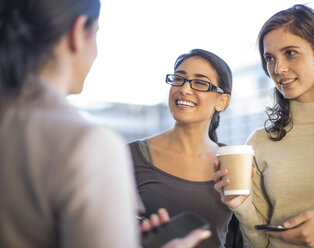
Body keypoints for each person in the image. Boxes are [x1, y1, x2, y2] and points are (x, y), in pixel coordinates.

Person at [0, 0, 210, 247]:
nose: (185, 89)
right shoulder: (87, 143)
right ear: (78, 32)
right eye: (97, 34)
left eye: (200, 83)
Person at [213, 4, 314, 248]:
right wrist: (240, 205)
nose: (278, 69)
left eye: (290, 53)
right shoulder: (259, 142)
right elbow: (259, 242)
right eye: (270, 58)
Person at [128, 49, 236, 247]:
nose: (184, 89)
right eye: (179, 79)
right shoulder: (129, 156)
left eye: (200, 82)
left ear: (222, 101)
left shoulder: (233, 160)